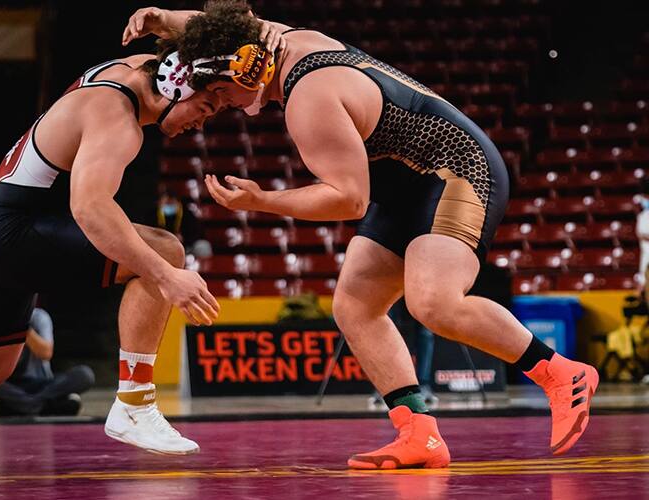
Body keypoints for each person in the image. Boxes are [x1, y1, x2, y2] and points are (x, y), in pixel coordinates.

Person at [123, 2, 600, 469]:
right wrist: (165, 19)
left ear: (242, 75)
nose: (224, 106)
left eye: (222, 95)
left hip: (457, 168)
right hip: (402, 183)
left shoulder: (308, 97)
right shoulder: (275, 42)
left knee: (433, 301)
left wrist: (262, 201)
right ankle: (418, 433)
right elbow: (223, 29)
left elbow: (348, 202)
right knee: (355, 305)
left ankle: (562, 374)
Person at [0, 38, 266, 470]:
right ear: (177, 89)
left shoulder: (132, 67)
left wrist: (171, 20)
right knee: (166, 249)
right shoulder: (116, 120)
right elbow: (89, 209)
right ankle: (135, 404)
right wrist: (165, 275)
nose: (198, 124)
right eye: (203, 110)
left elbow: (194, 40)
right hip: (15, 235)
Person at [0, 308, 95, 417]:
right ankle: (48, 405)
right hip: (11, 384)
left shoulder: (39, 317)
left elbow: (45, 353)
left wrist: (22, 328)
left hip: (41, 383)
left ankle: (25, 406)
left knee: (85, 374)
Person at [157, 188, 212, 257]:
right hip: (161, 247)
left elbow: (197, 233)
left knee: (203, 246)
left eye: (171, 203)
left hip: (186, 247)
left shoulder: (187, 214)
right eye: (166, 203)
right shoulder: (152, 215)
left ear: (177, 202)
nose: (169, 205)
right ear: (160, 203)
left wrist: (184, 239)